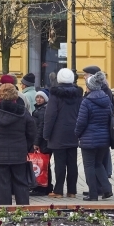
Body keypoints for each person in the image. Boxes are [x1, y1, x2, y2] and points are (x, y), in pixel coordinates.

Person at [0, 83, 36, 205]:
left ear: (1, 96)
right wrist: (26, 147)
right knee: (21, 184)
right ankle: (23, 212)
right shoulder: (23, 112)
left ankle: (5, 214)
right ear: (15, 97)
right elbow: (32, 132)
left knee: (2, 186)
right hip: (19, 154)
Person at [42, 68, 82, 198]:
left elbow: (50, 115)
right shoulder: (78, 94)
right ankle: (72, 191)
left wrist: (46, 134)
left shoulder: (55, 95)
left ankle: (58, 191)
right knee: (72, 163)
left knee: (59, 164)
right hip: (74, 132)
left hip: (58, 133)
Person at [75, 71, 113, 201]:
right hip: (104, 138)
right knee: (99, 164)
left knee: (89, 166)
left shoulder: (87, 101)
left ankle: (93, 194)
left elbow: (81, 122)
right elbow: (110, 118)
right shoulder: (106, 99)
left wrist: (77, 134)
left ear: (89, 87)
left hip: (89, 139)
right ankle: (107, 189)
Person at [30, 90, 53, 196]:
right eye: (37, 97)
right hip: (43, 142)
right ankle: (46, 186)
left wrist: (36, 143)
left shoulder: (42, 110)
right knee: (44, 164)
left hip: (42, 143)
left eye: (41, 97)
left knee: (43, 165)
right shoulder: (39, 109)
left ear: (45, 99)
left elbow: (40, 128)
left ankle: (42, 188)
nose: (39, 99)